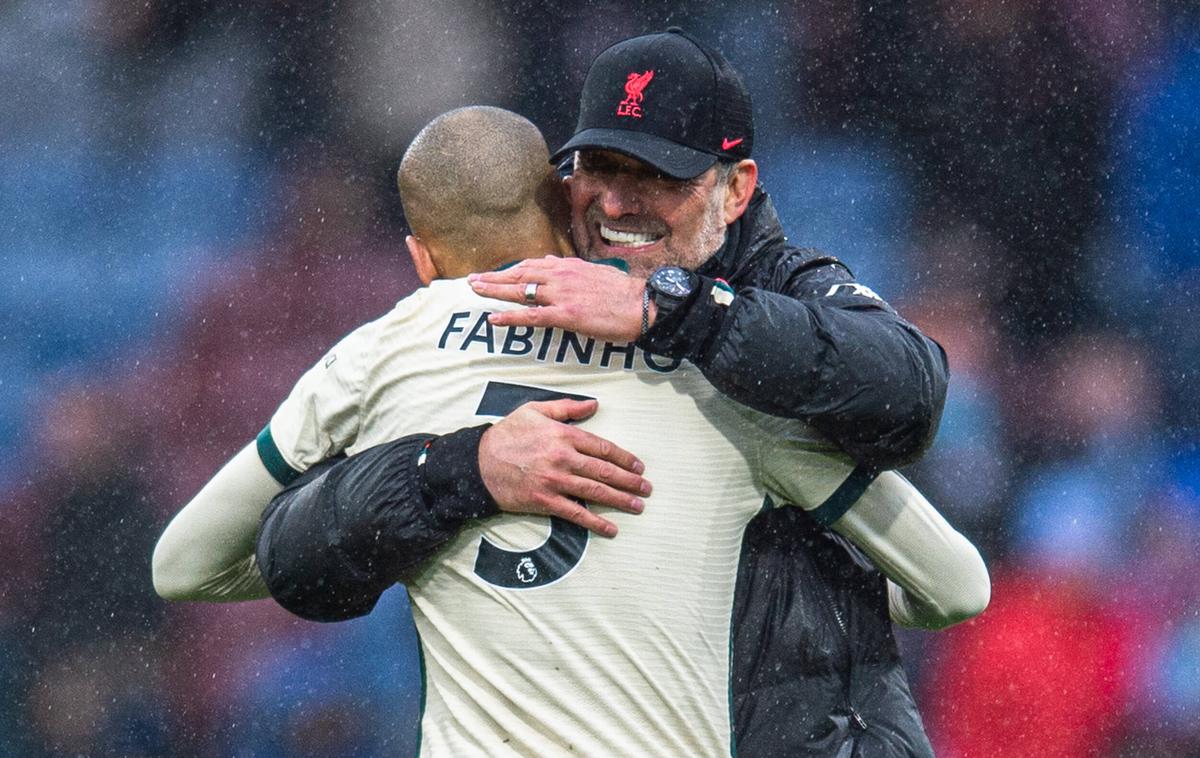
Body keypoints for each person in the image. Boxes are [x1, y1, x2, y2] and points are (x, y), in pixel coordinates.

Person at [161, 28, 954, 755]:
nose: (615, 204)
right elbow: (951, 582)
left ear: (736, 189)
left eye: (658, 176)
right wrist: (458, 471)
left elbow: (910, 391)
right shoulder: (441, 343)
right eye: (600, 169)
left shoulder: (771, 301)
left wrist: (675, 314)